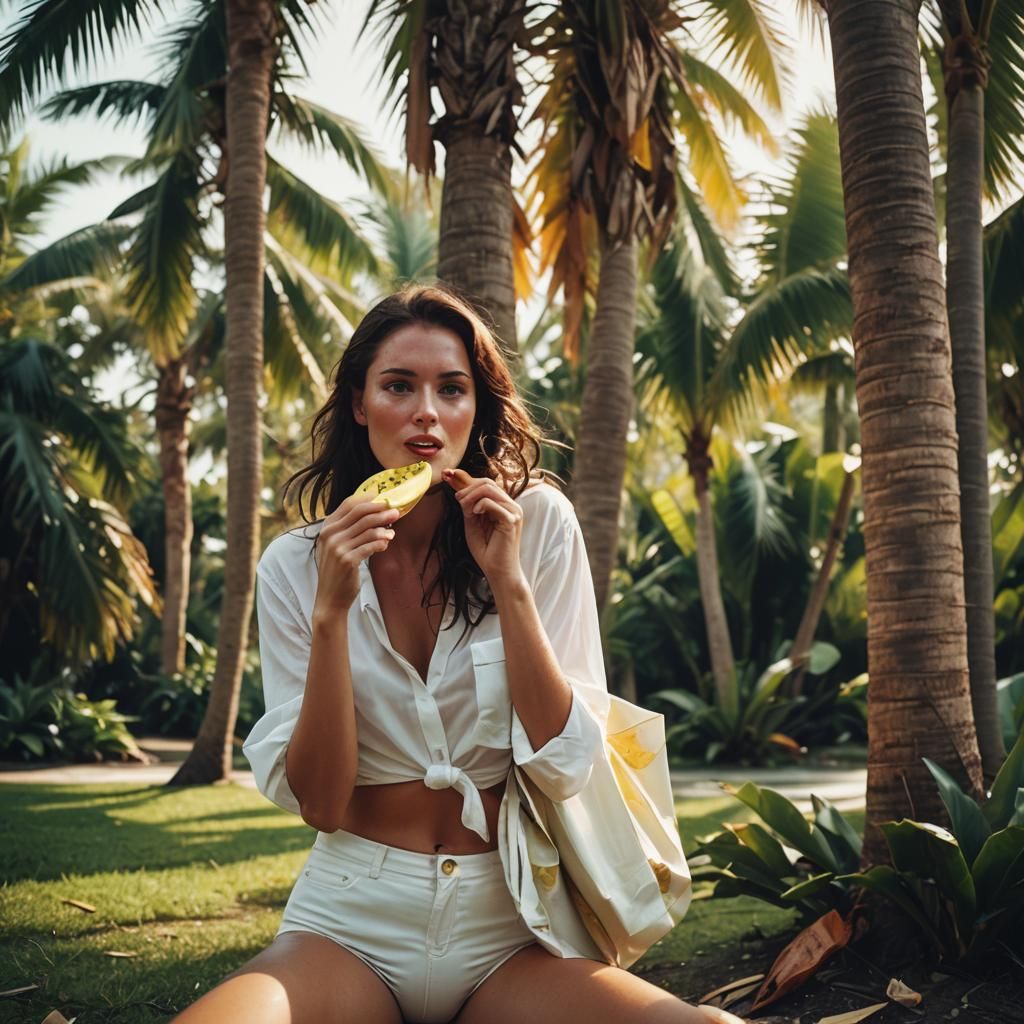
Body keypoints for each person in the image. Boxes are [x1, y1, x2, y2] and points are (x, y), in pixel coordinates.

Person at [172, 286, 743, 1024]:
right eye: (398, 386)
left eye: (452, 388)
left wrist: (508, 582)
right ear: (358, 403)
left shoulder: (535, 523)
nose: (426, 413)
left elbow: (566, 764)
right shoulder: (296, 563)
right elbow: (320, 801)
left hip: (510, 928)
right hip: (349, 923)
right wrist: (331, 614)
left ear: (477, 407)